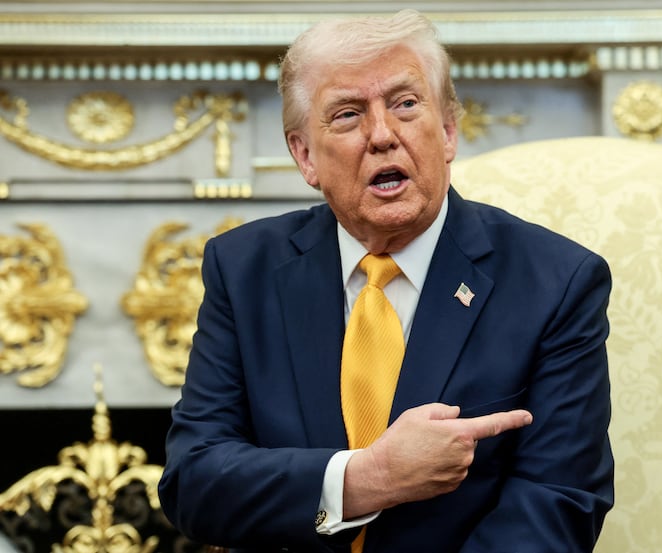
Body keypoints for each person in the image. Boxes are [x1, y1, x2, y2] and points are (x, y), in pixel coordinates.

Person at [158, 9, 614, 553]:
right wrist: (369, 477)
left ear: (447, 132)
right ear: (305, 156)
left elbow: (558, 503)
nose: (382, 135)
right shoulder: (243, 269)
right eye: (347, 115)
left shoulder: (556, 281)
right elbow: (194, 483)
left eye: (405, 104)